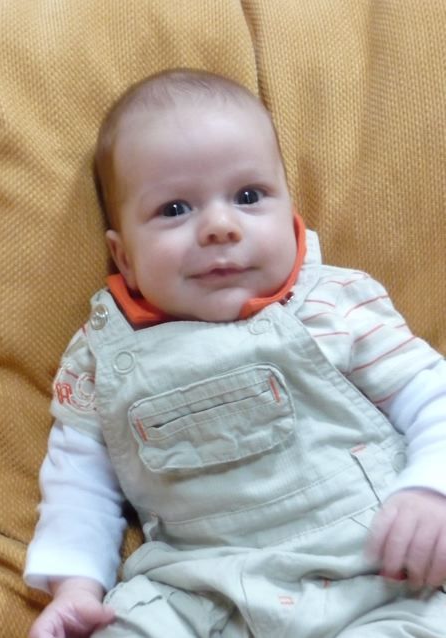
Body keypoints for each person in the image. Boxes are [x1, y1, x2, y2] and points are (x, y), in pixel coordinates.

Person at [24, 69, 446, 638]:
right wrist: (76, 588)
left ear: (289, 211)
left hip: (371, 573)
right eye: (175, 209)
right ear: (124, 259)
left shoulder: (332, 306)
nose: (220, 226)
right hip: (196, 590)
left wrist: (431, 489)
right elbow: (78, 484)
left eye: (248, 197)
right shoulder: (100, 355)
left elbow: (433, 398)